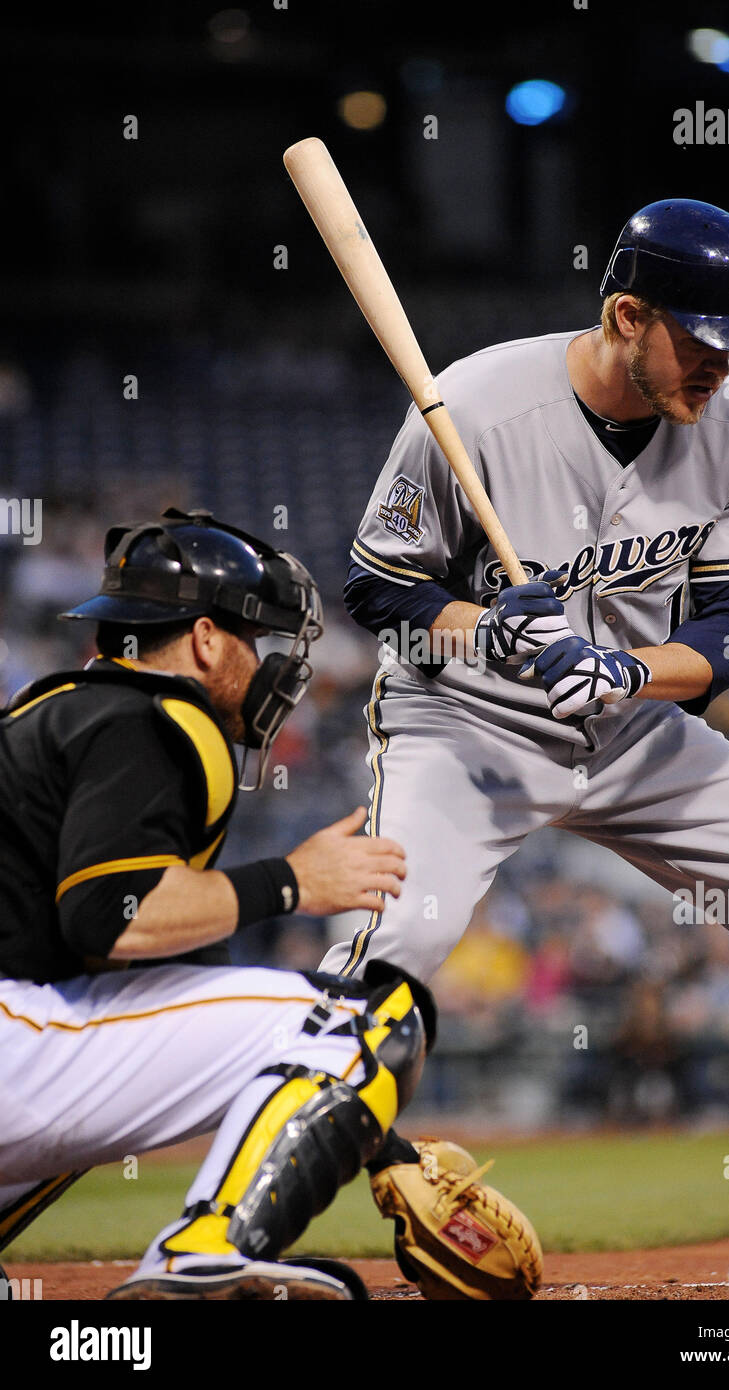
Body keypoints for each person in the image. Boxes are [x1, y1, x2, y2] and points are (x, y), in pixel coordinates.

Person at [325, 198, 729, 1294]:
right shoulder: (476, 403)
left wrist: (617, 667)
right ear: (627, 313)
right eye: (704, 342)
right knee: (396, 957)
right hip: (461, 728)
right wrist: (492, 632)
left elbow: (728, 637)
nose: (722, 367)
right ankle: (230, 1220)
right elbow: (376, 588)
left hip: (630, 730)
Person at [0, 507, 428, 1300]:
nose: (266, 666)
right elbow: (110, 915)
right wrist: (291, 882)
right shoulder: (155, 715)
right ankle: (201, 1253)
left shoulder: (56, 709)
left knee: (140, 1044)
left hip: (23, 1037)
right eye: (254, 640)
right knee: (364, 1017)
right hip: (12, 1040)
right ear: (204, 639)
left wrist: (383, 1146)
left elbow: (171, 991)